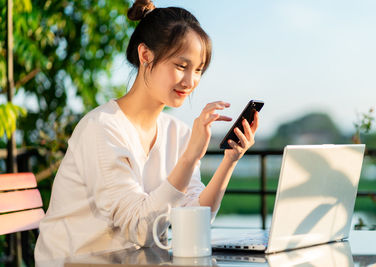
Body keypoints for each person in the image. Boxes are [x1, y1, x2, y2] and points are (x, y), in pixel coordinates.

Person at [34, 0, 259, 261]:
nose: (190, 82)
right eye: (181, 66)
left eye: (198, 70)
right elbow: (139, 230)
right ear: (145, 56)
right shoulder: (102, 128)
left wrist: (230, 161)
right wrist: (189, 158)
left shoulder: (178, 131)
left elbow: (197, 215)